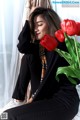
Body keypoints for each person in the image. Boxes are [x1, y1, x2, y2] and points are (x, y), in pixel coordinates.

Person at [1, 7, 79, 120]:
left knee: (7, 116)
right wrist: (28, 22)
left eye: (40, 24)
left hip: (63, 102)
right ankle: (17, 100)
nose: (36, 29)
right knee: (28, 56)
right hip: (46, 98)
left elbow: (48, 79)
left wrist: (32, 100)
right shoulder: (42, 48)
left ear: (51, 24)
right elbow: (23, 46)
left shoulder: (60, 46)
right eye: (34, 26)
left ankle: (18, 105)